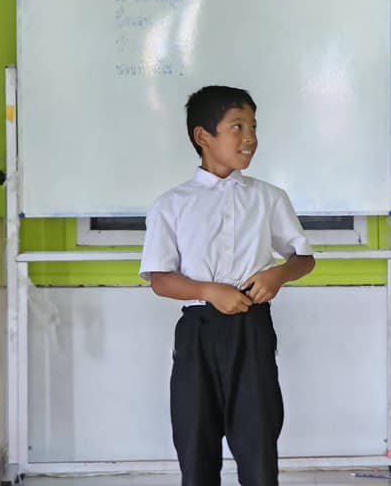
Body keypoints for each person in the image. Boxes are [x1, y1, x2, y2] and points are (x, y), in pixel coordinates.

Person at [139, 85, 315, 486]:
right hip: (198, 333)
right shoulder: (172, 204)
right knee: (196, 446)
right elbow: (161, 280)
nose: (250, 137)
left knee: (258, 446)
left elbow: (303, 258)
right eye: (237, 127)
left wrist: (278, 275)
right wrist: (208, 291)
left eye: (253, 127)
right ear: (204, 136)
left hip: (252, 329)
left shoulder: (268, 197)